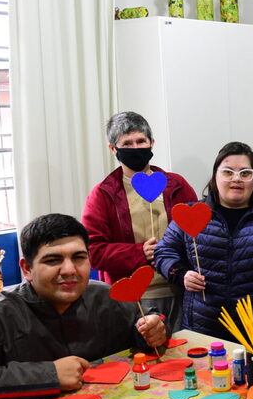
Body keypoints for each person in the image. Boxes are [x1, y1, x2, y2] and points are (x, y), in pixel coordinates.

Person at [0, 214, 167, 399]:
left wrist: (149, 331)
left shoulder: (106, 296)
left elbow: (145, 323)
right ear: (27, 269)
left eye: (79, 258)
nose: (69, 270)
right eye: (53, 260)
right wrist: (49, 376)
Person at [153, 141, 253, 353]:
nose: (236, 179)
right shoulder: (190, 214)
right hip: (203, 329)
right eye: (228, 172)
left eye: (245, 173)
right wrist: (180, 274)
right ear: (215, 176)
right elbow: (163, 252)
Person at [82, 111, 197, 333]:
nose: (135, 148)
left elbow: (200, 232)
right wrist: (139, 252)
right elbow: (92, 251)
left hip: (183, 291)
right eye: (127, 143)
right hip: (135, 299)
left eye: (141, 141)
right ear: (113, 149)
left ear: (152, 143)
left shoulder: (177, 185)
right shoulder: (102, 194)